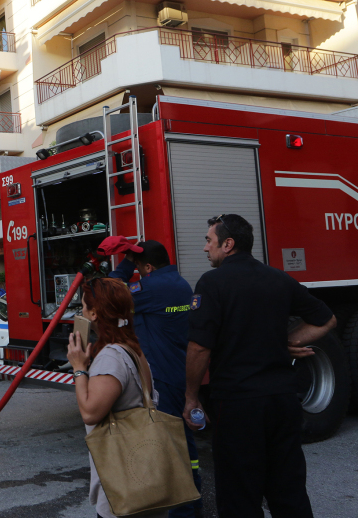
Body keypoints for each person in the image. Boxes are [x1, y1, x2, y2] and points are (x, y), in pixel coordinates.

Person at [184, 214, 337, 518]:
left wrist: (190, 397)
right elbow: (326, 319)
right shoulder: (278, 278)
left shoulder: (212, 282)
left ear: (228, 244)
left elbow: (199, 347)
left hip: (238, 404)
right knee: (289, 490)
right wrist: (284, 340)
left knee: (239, 495)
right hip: (283, 401)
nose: (205, 248)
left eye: (209, 241)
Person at [102, 237, 201, 517]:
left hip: (162, 377)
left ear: (147, 267)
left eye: (139, 266)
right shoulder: (180, 284)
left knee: (170, 446)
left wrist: (125, 263)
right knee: (183, 443)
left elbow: (108, 295)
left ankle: (184, 511)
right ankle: (192, 504)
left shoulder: (151, 287)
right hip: (178, 371)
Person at [66, 277, 165, 518]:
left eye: (83, 307)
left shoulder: (111, 357)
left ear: (94, 313)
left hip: (122, 489)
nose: (81, 312)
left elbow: (90, 413)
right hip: (144, 477)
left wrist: (79, 368)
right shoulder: (131, 348)